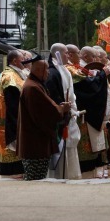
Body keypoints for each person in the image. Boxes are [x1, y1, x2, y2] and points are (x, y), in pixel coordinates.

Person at [17, 55, 71, 181]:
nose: (48, 73)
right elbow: (46, 112)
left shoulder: (35, 85)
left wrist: (60, 108)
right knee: (35, 179)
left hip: (35, 141)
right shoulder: (32, 87)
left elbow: (48, 107)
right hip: (35, 143)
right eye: (46, 70)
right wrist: (62, 109)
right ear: (38, 71)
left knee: (37, 177)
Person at [65, 44, 110, 178]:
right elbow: (88, 85)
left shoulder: (76, 68)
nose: (79, 57)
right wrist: (103, 75)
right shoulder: (70, 69)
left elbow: (89, 80)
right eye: (77, 53)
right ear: (70, 55)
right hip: (79, 113)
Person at [45, 43, 82, 180]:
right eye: (66, 53)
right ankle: (59, 176)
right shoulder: (52, 72)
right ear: (58, 54)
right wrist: (62, 109)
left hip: (68, 114)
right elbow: (52, 95)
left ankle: (69, 175)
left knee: (70, 149)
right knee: (60, 150)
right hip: (59, 117)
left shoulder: (63, 69)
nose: (69, 55)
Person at [0, 50, 27, 178]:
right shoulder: (10, 77)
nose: (25, 61)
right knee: (13, 171)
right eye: (23, 58)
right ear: (15, 61)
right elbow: (13, 106)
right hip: (11, 124)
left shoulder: (16, 74)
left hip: (14, 122)